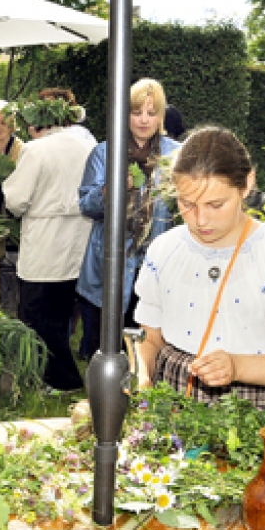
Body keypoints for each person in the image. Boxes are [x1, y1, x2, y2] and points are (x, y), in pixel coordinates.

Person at [134, 126, 265, 412]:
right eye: (187, 204)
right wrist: (142, 374)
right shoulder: (164, 249)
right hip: (172, 394)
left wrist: (236, 366)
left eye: (216, 205)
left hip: (253, 405)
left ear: (246, 184)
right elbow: (150, 337)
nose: (200, 220)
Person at [76, 78, 181, 358]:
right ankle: (100, 391)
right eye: (136, 112)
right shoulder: (104, 152)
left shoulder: (175, 154)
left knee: (147, 340)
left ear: (160, 116)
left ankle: (143, 388)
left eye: (151, 113)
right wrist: (107, 192)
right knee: (102, 341)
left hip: (155, 259)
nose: (144, 120)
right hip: (109, 259)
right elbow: (85, 205)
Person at [2, 95, 95, 392]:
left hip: (46, 239)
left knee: (38, 313)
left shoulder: (35, 150)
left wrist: (7, 184)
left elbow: (17, 201)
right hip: (81, 236)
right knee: (66, 309)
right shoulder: (88, 145)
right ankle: (59, 374)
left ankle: (62, 379)